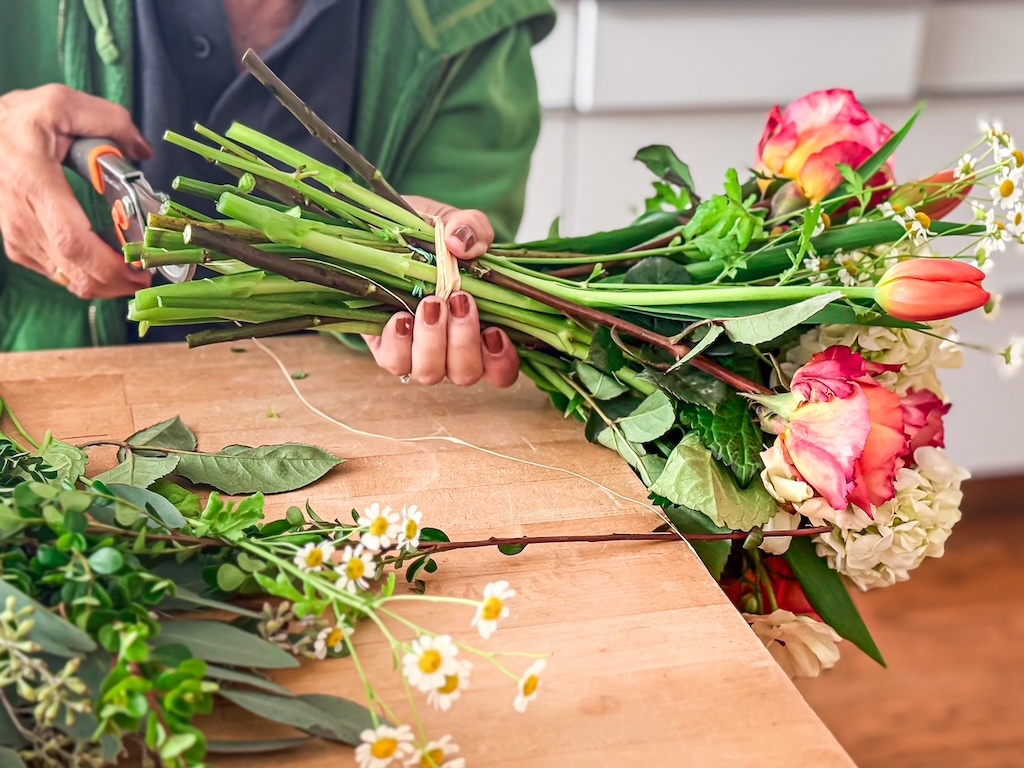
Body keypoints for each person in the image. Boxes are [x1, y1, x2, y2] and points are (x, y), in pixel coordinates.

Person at [0, 0, 555, 388]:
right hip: (56, 403)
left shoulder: (474, 19)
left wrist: (423, 274)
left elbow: (463, 251)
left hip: (337, 421)